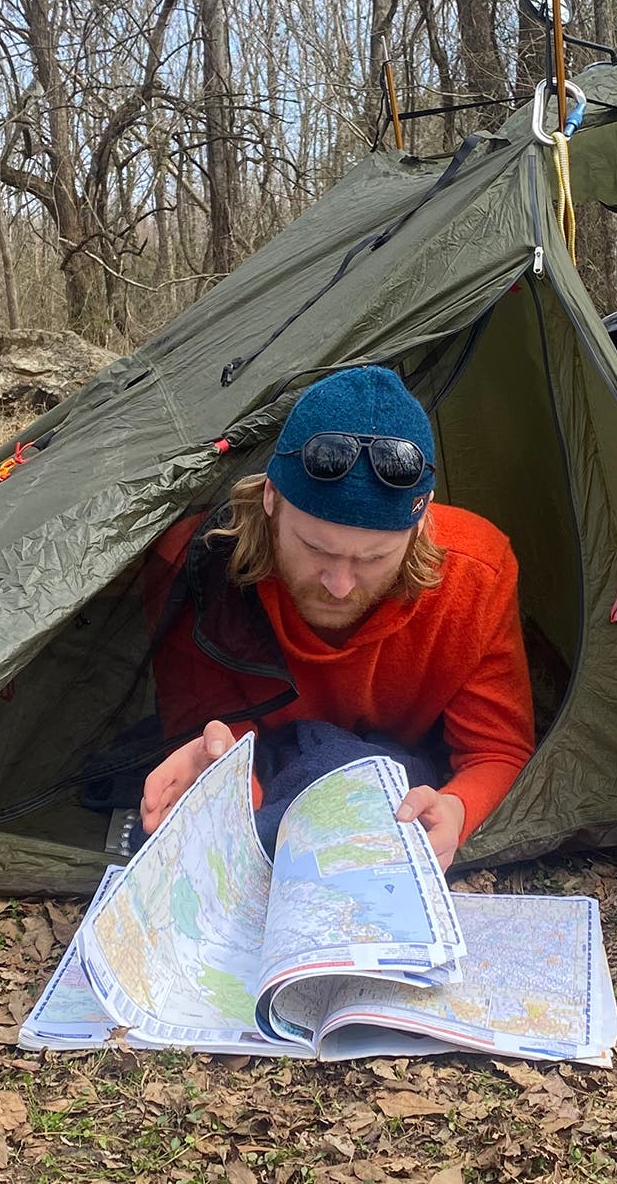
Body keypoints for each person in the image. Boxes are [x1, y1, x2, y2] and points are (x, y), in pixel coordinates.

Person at [136, 366, 532, 867]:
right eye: (315, 548)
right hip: (275, 771)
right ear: (270, 498)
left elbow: (495, 750)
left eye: (372, 559)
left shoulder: (478, 573)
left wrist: (457, 806)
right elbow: (214, 738)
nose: (340, 585)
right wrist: (216, 771)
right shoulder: (198, 567)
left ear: (422, 517)